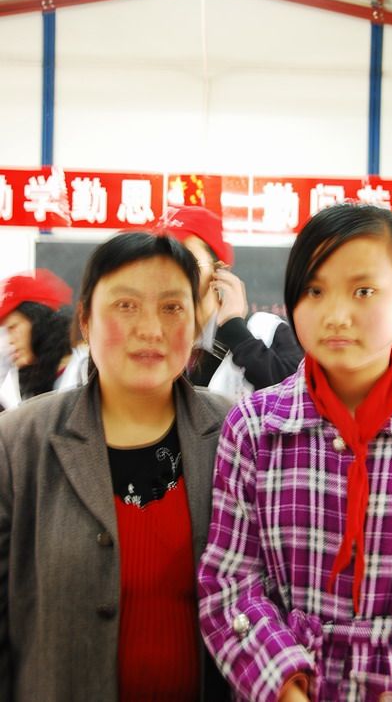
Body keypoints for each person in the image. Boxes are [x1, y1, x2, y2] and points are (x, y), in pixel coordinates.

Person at [197, 204, 392, 701]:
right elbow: (230, 585)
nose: (336, 315)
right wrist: (285, 686)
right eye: (315, 290)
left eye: (363, 291)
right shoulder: (253, 428)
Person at [0, 232, 230, 701]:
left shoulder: (235, 433)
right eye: (126, 306)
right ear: (85, 320)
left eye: (172, 307)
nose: (151, 329)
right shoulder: (20, 443)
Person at [158, 205, 303, 402]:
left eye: (185, 259)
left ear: (218, 269)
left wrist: (235, 330)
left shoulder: (264, 330)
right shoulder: (152, 336)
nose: (171, 271)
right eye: (161, 261)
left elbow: (298, 397)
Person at [0, 268, 87, 409]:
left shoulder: (86, 372)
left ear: (38, 322)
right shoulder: (14, 386)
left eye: (13, 328)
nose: (9, 340)